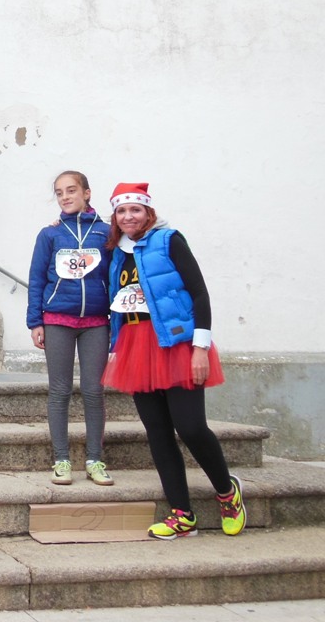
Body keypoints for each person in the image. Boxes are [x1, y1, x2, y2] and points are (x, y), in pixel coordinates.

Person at [101, 182, 246, 539]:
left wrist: (201, 347)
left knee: (191, 427)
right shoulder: (117, 252)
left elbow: (199, 293)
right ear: (115, 217)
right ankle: (182, 515)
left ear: (148, 212)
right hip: (136, 347)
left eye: (135, 209)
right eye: (121, 211)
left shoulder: (169, 240)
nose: (128, 216)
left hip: (177, 343)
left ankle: (227, 493)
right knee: (158, 433)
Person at [26, 171, 113, 486]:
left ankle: (94, 460)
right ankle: (61, 460)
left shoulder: (106, 233)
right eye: (59, 192)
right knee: (59, 390)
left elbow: (115, 277)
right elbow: (37, 278)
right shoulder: (49, 234)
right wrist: (35, 321)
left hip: (96, 322)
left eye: (71, 190)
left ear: (87, 193)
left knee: (93, 390)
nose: (65, 197)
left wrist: (116, 324)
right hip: (57, 321)